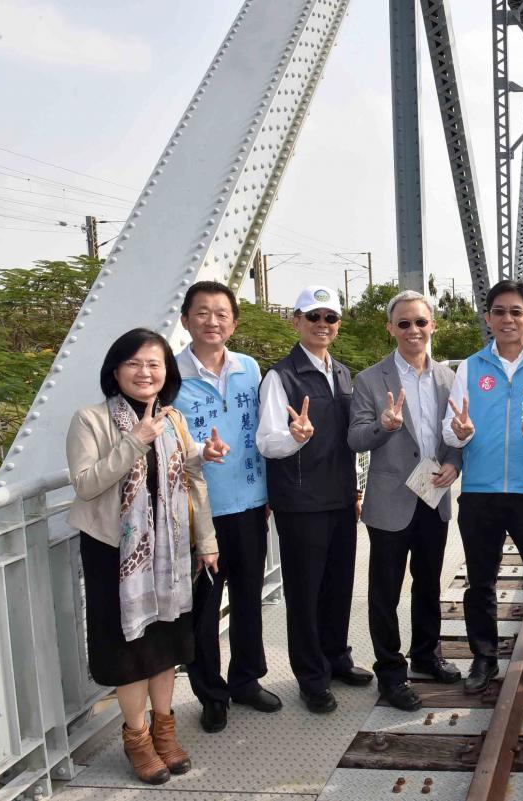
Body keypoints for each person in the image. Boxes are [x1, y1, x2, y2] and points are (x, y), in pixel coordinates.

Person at [66, 328, 227, 784]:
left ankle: (165, 730)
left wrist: (207, 536)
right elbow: (85, 483)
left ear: (167, 373)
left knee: (165, 648)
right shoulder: (90, 420)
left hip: (170, 555)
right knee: (130, 650)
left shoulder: (173, 420)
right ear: (115, 371)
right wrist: (134, 439)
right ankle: (137, 738)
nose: (145, 372)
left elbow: (190, 475)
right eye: (134, 363)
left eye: (154, 363)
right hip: (113, 557)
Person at [442, 279, 523, 694]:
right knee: (480, 580)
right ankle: (484, 659)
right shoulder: (471, 367)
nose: (508, 319)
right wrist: (459, 432)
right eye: (499, 311)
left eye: (516, 312)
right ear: (488, 318)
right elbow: (451, 429)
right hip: (480, 490)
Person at [257, 285, 372, 714]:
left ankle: (337, 658)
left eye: (330, 318)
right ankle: (311, 676)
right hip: (300, 501)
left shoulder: (342, 373)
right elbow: (268, 442)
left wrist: (355, 490)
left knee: (339, 585)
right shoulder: (280, 376)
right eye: (313, 317)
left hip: (340, 497)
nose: (322, 325)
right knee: (305, 594)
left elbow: (349, 442)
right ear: (296, 321)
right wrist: (294, 436)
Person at [348, 290, 463, 711]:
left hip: (433, 493)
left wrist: (455, 463)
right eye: (404, 323)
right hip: (391, 500)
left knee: (428, 584)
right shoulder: (369, 380)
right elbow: (355, 438)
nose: (413, 330)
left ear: (432, 325)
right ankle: (391, 673)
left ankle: (427, 655)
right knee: (385, 592)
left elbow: (458, 432)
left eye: (420, 322)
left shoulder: (450, 379)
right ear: (390, 329)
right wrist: (382, 426)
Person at [174, 281, 280, 733]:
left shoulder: (249, 367)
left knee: (248, 598)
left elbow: (262, 429)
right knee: (204, 607)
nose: (212, 321)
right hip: (201, 513)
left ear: (234, 322)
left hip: (251, 502)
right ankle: (211, 693)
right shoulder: (171, 375)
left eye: (221, 314)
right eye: (202, 313)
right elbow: (160, 442)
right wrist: (199, 451)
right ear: (185, 320)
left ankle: (246, 680)